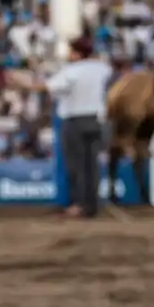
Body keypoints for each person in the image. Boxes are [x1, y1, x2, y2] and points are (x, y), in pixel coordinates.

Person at [46, 35, 111, 218]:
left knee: (76, 165)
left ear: (76, 53)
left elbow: (49, 87)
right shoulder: (102, 68)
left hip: (75, 120)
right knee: (92, 166)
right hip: (96, 119)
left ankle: (79, 204)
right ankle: (92, 205)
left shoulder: (71, 71)